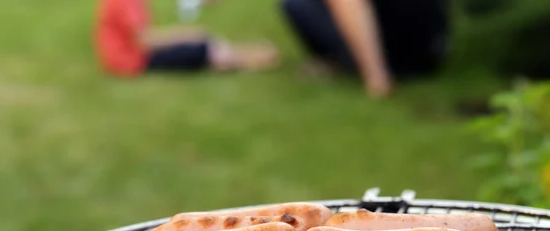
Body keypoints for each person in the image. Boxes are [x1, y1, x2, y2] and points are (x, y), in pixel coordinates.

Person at [280, 0, 450, 98]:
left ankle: (349, 63)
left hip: (397, 56)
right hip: (430, 49)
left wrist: (377, 77)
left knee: (297, 4)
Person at [94, 0, 280, 77]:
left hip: (129, 55)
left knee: (202, 41)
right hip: (132, 61)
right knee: (199, 49)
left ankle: (248, 52)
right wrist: (185, 34)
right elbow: (146, 41)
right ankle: (255, 58)